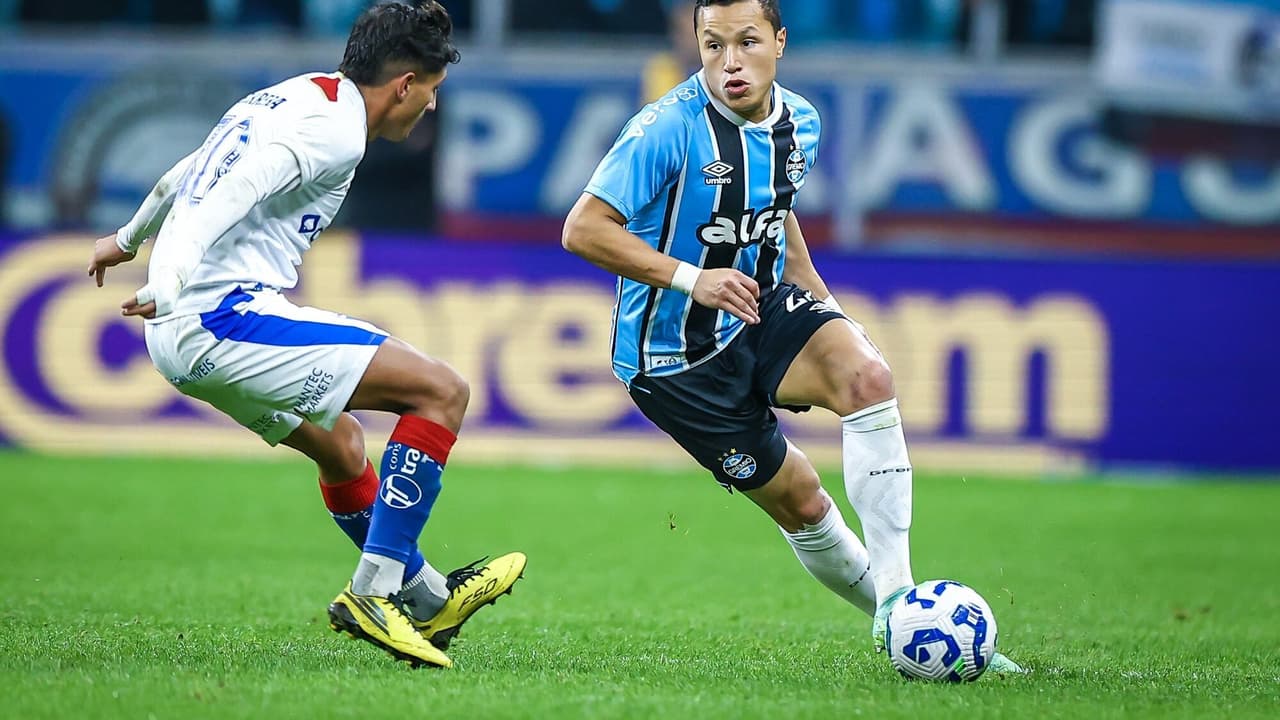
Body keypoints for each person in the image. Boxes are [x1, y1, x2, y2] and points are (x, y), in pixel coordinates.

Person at [562, 0, 1022, 673]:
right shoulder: (664, 130)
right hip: (674, 360)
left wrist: (831, 310)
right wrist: (695, 280)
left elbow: (778, 215)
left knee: (867, 377)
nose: (729, 62)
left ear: (779, 41)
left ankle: (902, 606)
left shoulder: (801, 120)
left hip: (759, 305)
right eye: (712, 45)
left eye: (746, 42)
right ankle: (893, 619)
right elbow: (583, 229)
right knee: (802, 501)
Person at [85, 1, 525, 669]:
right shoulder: (336, 134)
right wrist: (168, 280)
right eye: (430, 92)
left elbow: (193, 167)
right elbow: (229, 189)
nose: (431, 108)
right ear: (404, 84)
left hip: (181, 337)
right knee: (442, 392)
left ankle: (430, 601)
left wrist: (126, 238)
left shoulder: (298, 94)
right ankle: (373, 594)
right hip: (218, 317)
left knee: (344, 447)